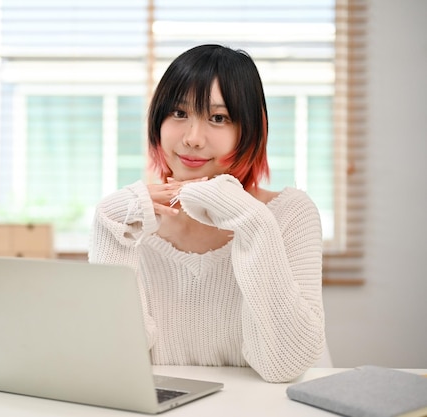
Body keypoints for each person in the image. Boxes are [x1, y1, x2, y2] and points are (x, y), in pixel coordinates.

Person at [88, 44, 326, 383]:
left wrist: (254, 223)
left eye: (218, 118)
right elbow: (114, 361)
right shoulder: (130, 220)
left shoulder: (290, 213)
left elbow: (283, 366)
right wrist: (108, 231)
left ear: (249, 131)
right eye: (179, 114)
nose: (192, 139)